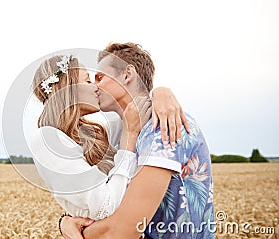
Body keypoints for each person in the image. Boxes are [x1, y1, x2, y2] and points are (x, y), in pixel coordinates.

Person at [61, 43, 215, 239]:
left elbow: (121, 232)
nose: (94, 86)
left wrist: (77, 230)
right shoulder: (119, 133)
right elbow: (105, 202)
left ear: (127, 75)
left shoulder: (164, 126)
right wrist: (65, 220)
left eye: (100, 78)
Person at [29, 53, 189, 236]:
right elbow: (106, 207)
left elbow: (133, 108)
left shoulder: (94, 132)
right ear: (68, 88)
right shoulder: (47, 138)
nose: (96, 87)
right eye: (88, 81)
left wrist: (161, 92)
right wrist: (129, 137)